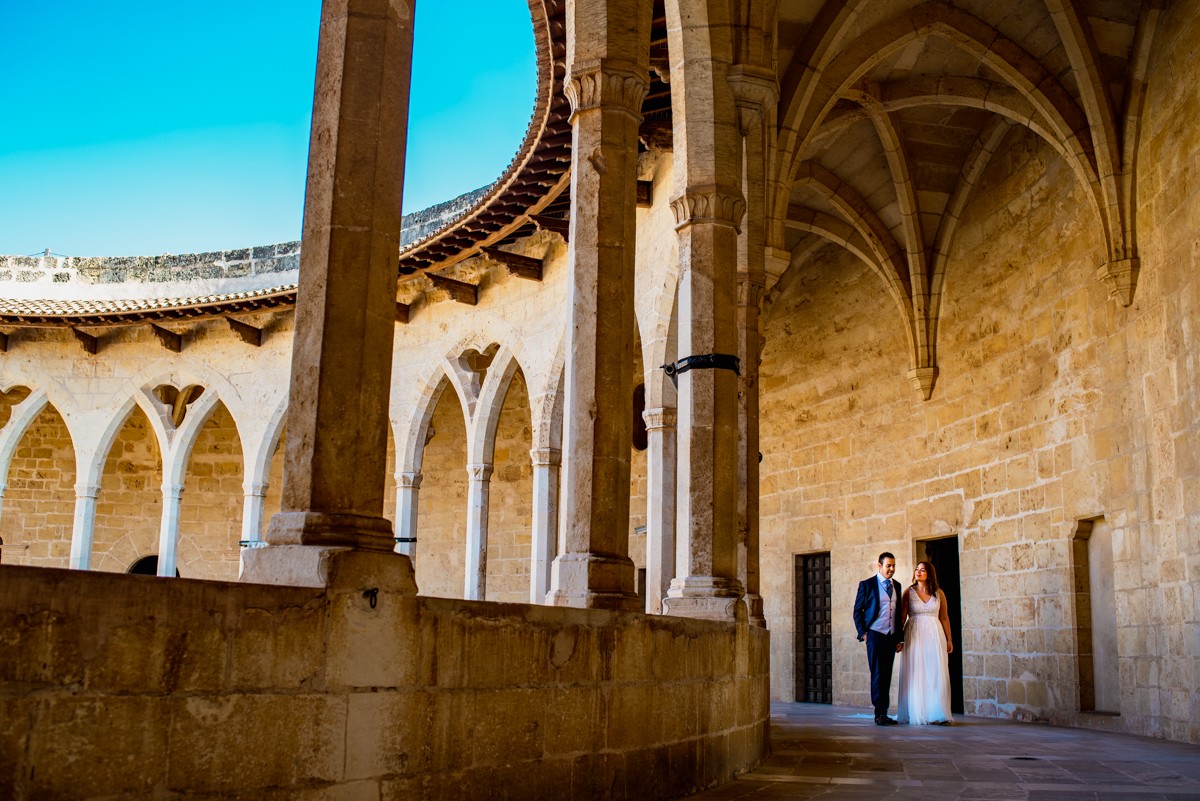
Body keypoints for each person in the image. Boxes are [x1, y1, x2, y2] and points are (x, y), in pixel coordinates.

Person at [896, 561, 955, 725]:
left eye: (922, 570)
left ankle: (937, 712)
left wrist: (949, 639)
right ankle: (917, 711)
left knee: (935, 672)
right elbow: (902, 617)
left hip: (935, 635)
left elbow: (944, 617)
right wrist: (898, 639)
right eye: (916, 569)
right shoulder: (909, 592)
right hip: (914, 634)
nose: (918, 572)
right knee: (916, 671)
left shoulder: (939, 593)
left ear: (929, 573)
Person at [853, 552, 904, 725]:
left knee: (887, 675)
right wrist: (864, 633)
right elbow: (857, 611)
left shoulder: (897, 585)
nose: (891, 569)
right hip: (874, 634)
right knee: (877, 674)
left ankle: (885, 712)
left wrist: (899, 638)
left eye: (893, 566)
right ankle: (878, 713)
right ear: (879, 566)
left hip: (890, 636)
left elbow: (898, 614)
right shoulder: (867, 585)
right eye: (888, 565)